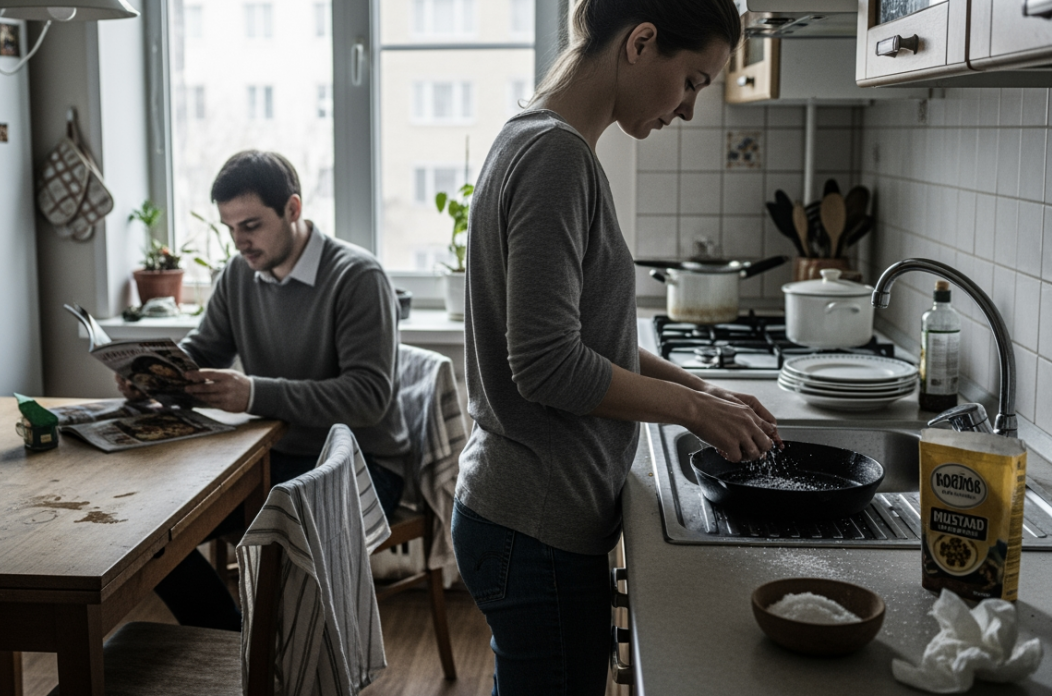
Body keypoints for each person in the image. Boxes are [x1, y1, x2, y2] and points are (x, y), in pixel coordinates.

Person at [451, 2, 781, 694]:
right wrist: (691, 414)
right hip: (535, 520)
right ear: (641, 42)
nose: (689, 109)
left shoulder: (539, 137)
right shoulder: (556, 155)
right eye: (693, 80)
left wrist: (702, 394)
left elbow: (592, 343)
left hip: (523, 513)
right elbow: (547, 365)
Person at [117, 150, 410, 630]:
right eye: (230, 228)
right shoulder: (239, 275)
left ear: (293, 209)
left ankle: (266, 661)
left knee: (284, 553)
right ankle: (236, 648)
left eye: (251, 225)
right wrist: (151, 373)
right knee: (153, 536)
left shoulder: (357, 277)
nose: (240, 243)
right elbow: (205, 348)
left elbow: (367, 397)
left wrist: (254, 394)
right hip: (270, 457)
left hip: (361, 464)